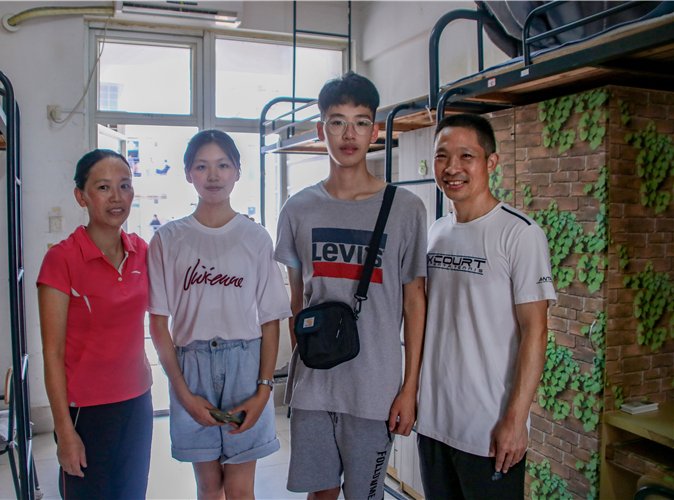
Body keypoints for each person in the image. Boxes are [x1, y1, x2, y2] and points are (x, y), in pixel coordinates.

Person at [274, 72, 428, 500]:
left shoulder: (406, 209)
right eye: (337, 121)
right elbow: (296, 302)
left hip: (375, 389)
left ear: (374, 132)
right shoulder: (298, 209)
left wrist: (410, 388)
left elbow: (415, 302)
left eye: (360, 122)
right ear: (321, 128)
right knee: (319, 495)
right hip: (314, 388)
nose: (349, 134)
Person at [416, 113, 556, 500]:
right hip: (433, 423)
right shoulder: (436, 232)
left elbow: (536, 331)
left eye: (467, 156)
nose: (452, 168)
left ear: (491, 162)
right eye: (442, 156)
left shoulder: (520, 233)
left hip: (489, 432)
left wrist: (516, 419)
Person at [147, 130, 291, 499]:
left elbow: (270, 320)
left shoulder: (255, 237)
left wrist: (264, 389)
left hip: (245, 367)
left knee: (240, 490)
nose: (213, 175)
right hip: (191, 368)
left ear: (237, 172)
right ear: (188, 173)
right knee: (209, 489)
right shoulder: (168, 239)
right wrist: (183, 393)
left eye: (223, 165)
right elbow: (159, 324)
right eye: (202, 166)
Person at [37, 150, 153, 499]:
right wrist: (64, 432)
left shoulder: (143, 251)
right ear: (81, 197)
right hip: (84, 413)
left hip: (137, 403)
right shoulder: (61, 259)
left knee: (132, 494)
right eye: (103, 187)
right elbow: (52, 353)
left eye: (124, 186)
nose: (117, 197)